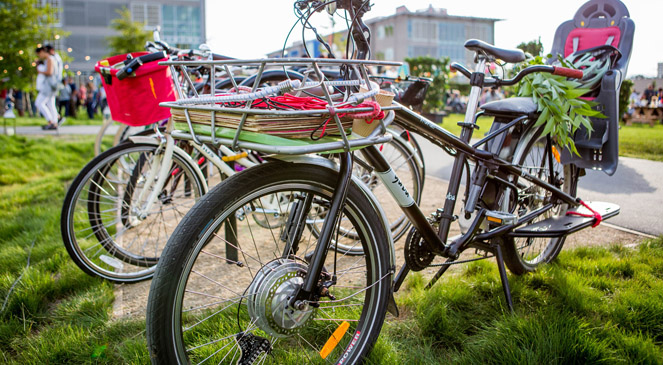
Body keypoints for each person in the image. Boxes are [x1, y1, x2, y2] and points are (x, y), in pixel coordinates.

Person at [35, 46, 59, 130]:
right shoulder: (51, 59)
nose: (39, 56)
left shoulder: (49, 59)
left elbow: (49, 72)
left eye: (39, 54)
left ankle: (50, 121)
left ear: (42, 51)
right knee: (51, 104)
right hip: (52, 85)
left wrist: (39, 71)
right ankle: (54, 123)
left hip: (49, 85)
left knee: (38, 102)